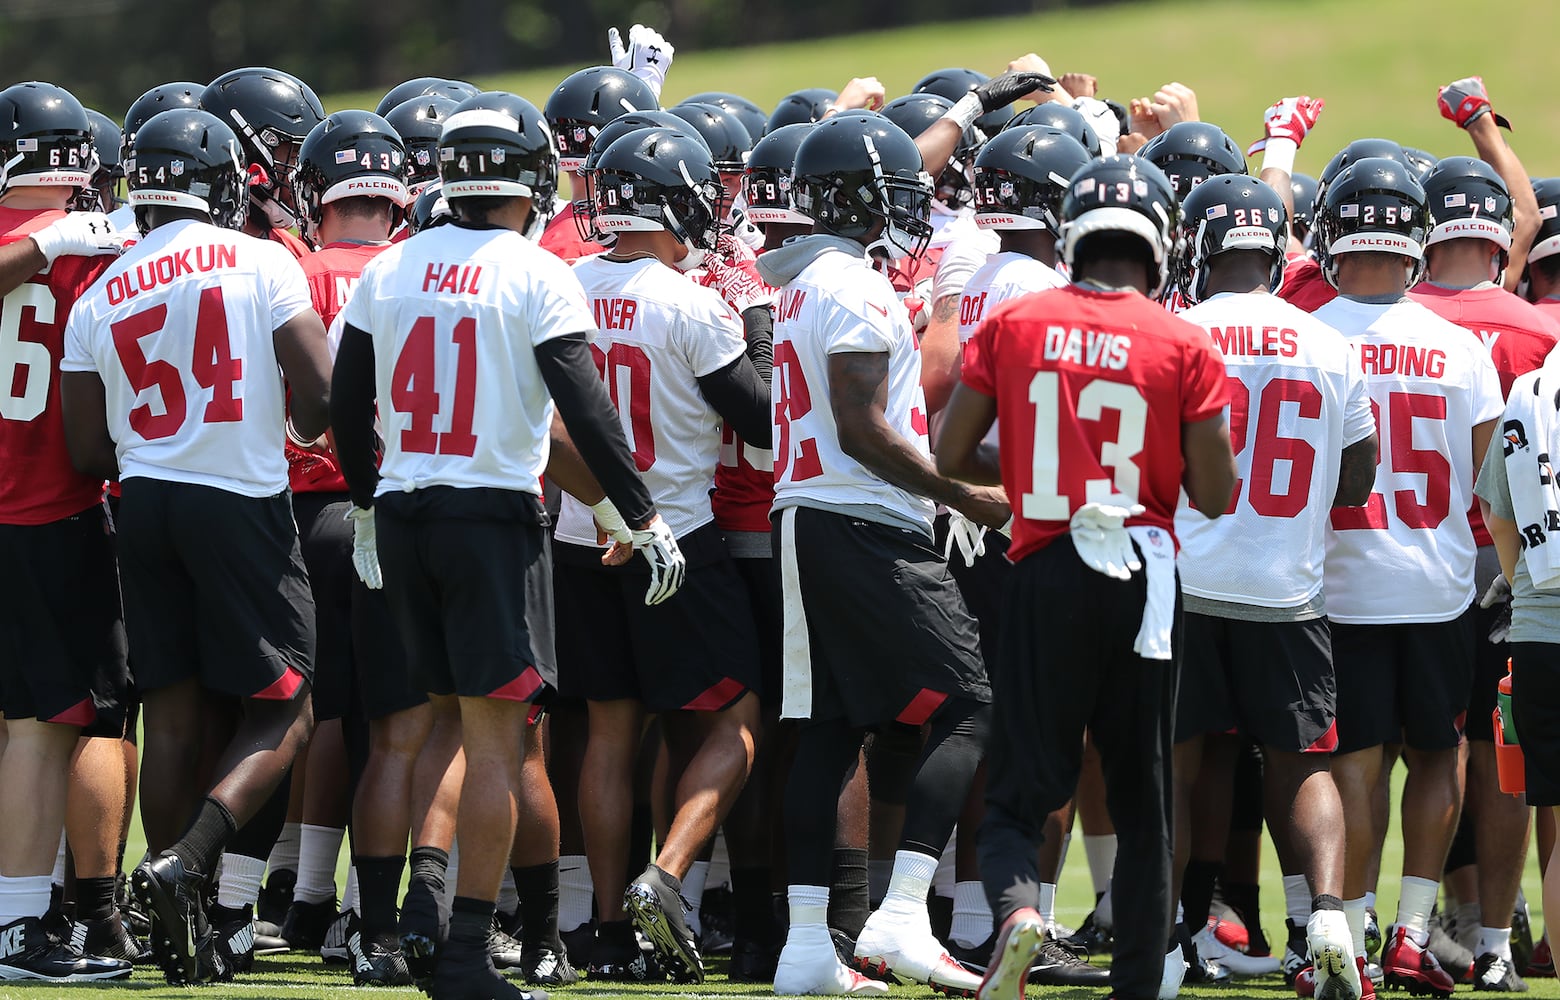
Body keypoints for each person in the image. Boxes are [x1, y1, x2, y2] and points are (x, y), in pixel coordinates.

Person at [329, 91, 685, 1000]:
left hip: (405, 518)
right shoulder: (534, 271)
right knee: (495, 744)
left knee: (436, 726)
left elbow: (344, 403)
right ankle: (459, 954)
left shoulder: (392, 268)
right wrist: (639, 514)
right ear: (530, 177)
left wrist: (369, 503)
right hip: (489, 520)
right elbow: (587, 410)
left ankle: (421, 915)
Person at [935, 152, 1236, 1000]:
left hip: (1047, 563)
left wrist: (1038, 461)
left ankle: (1022, 911)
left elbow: (955, 454)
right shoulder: (1184, 340)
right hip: (1144, 577)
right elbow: (1215, 493)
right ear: (1158, 246)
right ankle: (1139, 982)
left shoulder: (1017, 323)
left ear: (1072, 237)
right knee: (1143, 803)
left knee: (1020, 791)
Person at [59, 106, 333, 986]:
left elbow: (84, 449)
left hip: (143, 501)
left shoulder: (101, 290)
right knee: (289, 706)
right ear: (218, 184)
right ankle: (189, 864)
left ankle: (178, 929)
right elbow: (321, 394)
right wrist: (286, 419)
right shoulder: (259, 258)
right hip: (239, 498)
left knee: (172, 712)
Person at [755, 112, 1008, 998]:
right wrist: (960, 492)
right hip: (861, 520)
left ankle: (803, 954)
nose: (908, 210)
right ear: (862, 198)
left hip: (808, 517)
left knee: (826, 730)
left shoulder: (805, 282)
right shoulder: (853, 285)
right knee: (973, 705)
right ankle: (902, 913)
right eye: (897, 193)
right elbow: (862, 426)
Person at [558, 125, 770, 984]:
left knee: (610, 734)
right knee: (739, 720)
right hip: (673, 537)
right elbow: (759, 419)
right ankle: (668, 874)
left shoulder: (563, 284)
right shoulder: (693, 302)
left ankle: (608, 929)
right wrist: (755, 312)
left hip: (581, 533)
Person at [1170, 174, 1378, 1000]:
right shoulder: (1327, 341)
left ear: (1200, 244)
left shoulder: (1179, 330)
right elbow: (1357, 479)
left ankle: (1167, 936)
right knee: (1303, 762)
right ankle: (1329, 918)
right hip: (1286, 586)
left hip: (1184, 583)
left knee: (1179, 763)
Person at [1311, 157, 1503, 998]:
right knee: (1438, 752)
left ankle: (1347, 935)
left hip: (1339, 584)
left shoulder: (1309, 333)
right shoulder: (1462, 347)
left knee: (1355, 759)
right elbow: (1483, 480)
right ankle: (1413, 932)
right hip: (1436, 583)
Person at [1409, 155, 1559, 994]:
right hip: (1516, 568)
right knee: (1502, 752)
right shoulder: (1540, 331)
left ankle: (1410, 920)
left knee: (1411, 752)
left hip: (1403, 564)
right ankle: (1497, 939)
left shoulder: (1378, 316)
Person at [0, 79, 134, 985]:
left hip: (30, 508)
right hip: (52, 509)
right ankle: (20, 929)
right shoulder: (101, 248)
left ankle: (25, 912)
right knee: (53, 727)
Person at [285, 107, 421, 987]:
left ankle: (295, 895)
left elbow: (303, 412)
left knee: (316, 713)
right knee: (404, 723)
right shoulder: (425, 269)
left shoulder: (293, 269)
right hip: (397, 508)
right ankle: (404, 912)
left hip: (301, 511)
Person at [200, 67, 326, 259]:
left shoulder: (294, 249)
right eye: (294, 158)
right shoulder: (202, 256)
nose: (303, 173)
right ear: (248, 156)